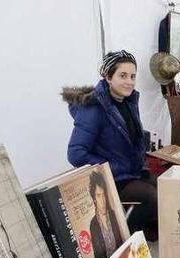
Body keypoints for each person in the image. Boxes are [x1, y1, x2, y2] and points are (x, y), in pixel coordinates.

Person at [62, 50, 158, 240]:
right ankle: (121, 240)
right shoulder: (93, 107)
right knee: (150, 196)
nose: (129, 82)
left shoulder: (127, 101)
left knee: (166, 186)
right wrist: (111, 167)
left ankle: (144, 232)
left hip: (130, 172)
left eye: (132, 76)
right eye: (122, 76)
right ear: (108, 76)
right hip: (111, 179)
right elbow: (75, 153)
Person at [88, 169, 126, 258]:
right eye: (99, 196)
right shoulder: (93, 224)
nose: (103, 200)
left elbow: (121, 242)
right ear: (94, 199)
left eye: (104, 194)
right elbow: (98, 257)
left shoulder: (113, 215)